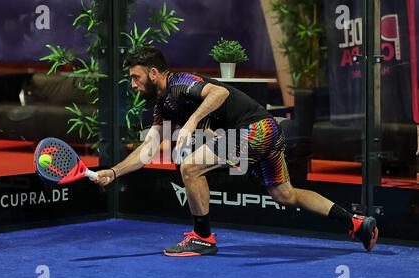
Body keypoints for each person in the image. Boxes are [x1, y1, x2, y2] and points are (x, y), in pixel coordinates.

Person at [94, 46, 379, 257]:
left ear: (153, 73)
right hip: (266, 131)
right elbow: (149, 148)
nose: (133, 84)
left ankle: (202, 238)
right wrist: (114, 171)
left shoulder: (181, 83)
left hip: (254, 131)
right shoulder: (162, 106)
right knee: (285, 194)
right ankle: (355, 223)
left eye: (135, 77)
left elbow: (221, 93)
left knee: (190, 166)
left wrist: (191, 124)